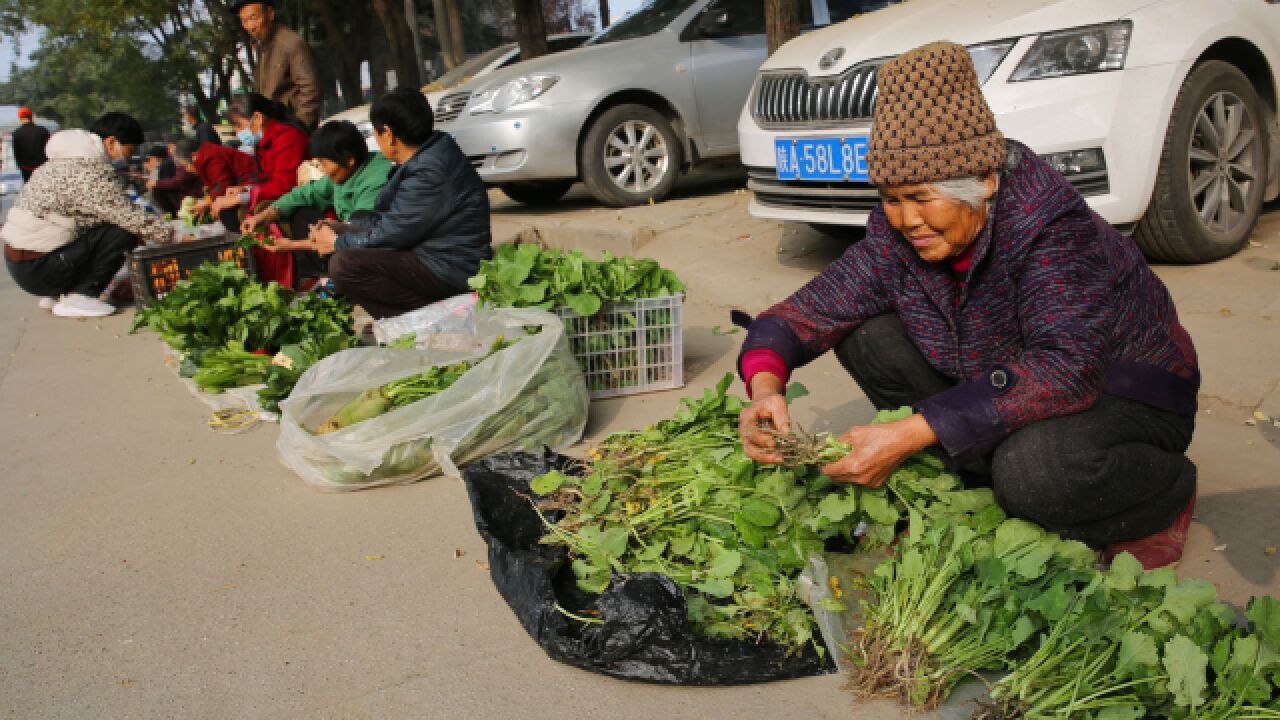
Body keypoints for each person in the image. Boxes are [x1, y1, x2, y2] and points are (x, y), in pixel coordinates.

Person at [736, 42, 1200, 570]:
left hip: (1123, 394)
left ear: (981, 181)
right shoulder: (897, 238)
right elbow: (806, 313)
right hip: (1009, 377)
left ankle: (1165, 492)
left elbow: (1067, 369)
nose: (907, 219)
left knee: (1034, 475)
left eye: (921, 196)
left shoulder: (1051, 230)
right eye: (891, 199)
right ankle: (975, 466)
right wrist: (764, 389)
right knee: (866, 334)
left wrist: (911, 432)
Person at [300, 88, 492, 319]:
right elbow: (392, 223)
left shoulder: (429, 171)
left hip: (450, 267)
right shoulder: (428, 154)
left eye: (376, 133)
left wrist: (337, 242)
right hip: (426, 250)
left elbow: (393, 234)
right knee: (339, 231)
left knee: (345, 264)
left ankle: (424, 318)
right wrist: (339, 230)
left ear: (388, 134)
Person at [1, 120, 172, 318]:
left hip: (24, 263)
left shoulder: (60, 164)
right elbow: (130, 217)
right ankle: (81, 296)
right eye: (129, 149)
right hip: (39, 268)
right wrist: (174, 236)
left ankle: (58, 294)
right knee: (123, 230)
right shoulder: (88, 172)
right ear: (111, 143)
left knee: (103, 225)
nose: (130, 157)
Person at [242, 120, 393, 287]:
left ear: (349, 160)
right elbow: (305, 193)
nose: (322, 169)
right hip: (351, 237)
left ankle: (337, 281)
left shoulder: (375, 180)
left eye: (324, 163)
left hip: (376, 248)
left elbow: (359, 236)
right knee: (301, 211)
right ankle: (323, 276)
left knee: (342, 256)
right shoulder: (343, 173)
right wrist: (265, 216)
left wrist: (293, 245)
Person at [210, 92, 308, 232]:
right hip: (284, 201)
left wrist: (242, 197)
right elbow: (268, 178)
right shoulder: (264, 142)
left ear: (257, 118)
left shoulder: (287, 136)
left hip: (301, 208)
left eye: (238, 126)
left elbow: (284, 185)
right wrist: (245, 189)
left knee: (232, 211)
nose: (238, 133)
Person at [231, 0, 321, 129]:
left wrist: (300, 130)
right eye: (244, 21)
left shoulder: (291, 43)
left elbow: (311, 91)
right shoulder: (261, 47)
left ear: (270, 14)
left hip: (292, 133)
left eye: (254, 18)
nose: (250, 26)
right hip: (275, 133)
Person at [176, 138, 259, 225]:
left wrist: (207, 201)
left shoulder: (210, 157)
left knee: (226, 213)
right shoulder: (206, 155)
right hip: (245, 183)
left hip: (253, 182)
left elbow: (223, 184)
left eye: (186, 166)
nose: (188, 170)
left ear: (194, 156)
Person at [147, 142, 204, 218]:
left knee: (158, 189)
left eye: (171, 147)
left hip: (193, 196)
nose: (170, 150)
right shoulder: (177, 163)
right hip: (186, 196)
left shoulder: (180, 164)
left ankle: (174, 215)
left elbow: (178, 181)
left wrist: (156, 183)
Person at [12, 106, 50, 182]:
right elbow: (49, 148)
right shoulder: (43, 131)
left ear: (20, 117)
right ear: (31, 116)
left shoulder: (17, 133)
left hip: (26, 168)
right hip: (42, 166)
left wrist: (20, 166)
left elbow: (17, 153)